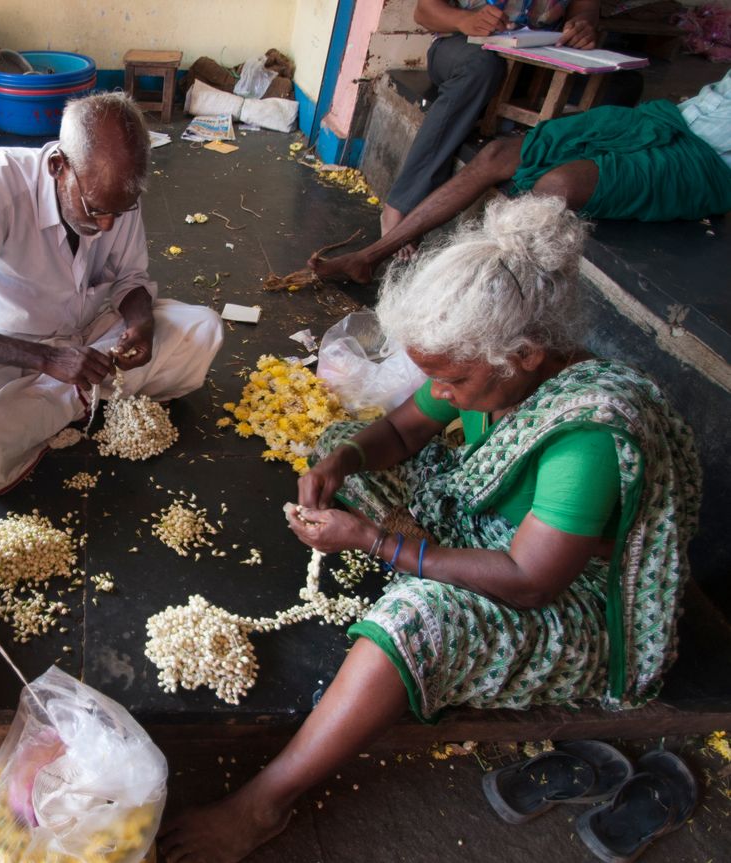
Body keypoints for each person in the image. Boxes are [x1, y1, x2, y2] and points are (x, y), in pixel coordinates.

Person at [159, 196, 700, 863]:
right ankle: (414, 559)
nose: (444, 391)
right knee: (340, 439)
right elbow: (399, 430)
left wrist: (376, 542)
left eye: (456, 378)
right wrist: (343, 459)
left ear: (526, 355)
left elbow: (530, 580)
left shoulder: (585, 434)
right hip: (491, 534)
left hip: (564, 596)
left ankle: (262, 802)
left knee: (416, 620)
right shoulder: (486, 364)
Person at [0, 91, 223, 493]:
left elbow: (130, 276)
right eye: (97, 209)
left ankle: (66, 401)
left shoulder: (115, 191)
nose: (109, 225)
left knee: (204, 330)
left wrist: (140, 324)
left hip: (97, 334)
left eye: (122, 209)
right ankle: (82, 398)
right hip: (14, 349)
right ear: (58, 166)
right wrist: (48, 358)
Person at [313, 67, 731, 284]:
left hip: (710, 162)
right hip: (671, 117)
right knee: (496, 153)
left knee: (558, 187)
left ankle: (465, 289)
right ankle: (371, 257)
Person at [381, 0, 603, 238]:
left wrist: (583, 25)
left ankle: (561, 179)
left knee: (619, 86)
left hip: (539, 57)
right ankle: (401, 205)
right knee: (481, 67)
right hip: (462, 47)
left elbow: (585, 10)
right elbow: (424, 12)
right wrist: (463, 20)